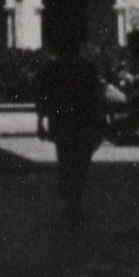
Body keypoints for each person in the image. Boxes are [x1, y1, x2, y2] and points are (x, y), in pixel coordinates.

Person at [39, 36, 109, 228]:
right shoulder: (83, 68)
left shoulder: (56, 69)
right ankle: (73, 200)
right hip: (78, 122)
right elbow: (96, 96)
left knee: (69, 160)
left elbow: (43, 96)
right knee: (78, 162)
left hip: (67, 122)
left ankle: (72, 200)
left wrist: (41, 122)